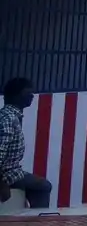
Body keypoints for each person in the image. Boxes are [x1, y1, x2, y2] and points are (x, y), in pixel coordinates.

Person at [0, 78, 51, 209]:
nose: (32, 96)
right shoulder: (9, 119)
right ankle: (37, 220)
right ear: (16, 95)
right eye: (27, 92)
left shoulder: (9, 115)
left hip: (11, 171)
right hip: (8, 174)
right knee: (44, 186)